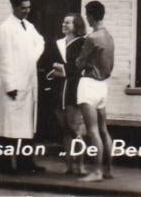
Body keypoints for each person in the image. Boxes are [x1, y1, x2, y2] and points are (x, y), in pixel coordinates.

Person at [0, 0, 46, 174]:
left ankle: (25, 163)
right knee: (8, 127)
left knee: (25, 127)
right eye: (23, 8)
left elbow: (40, 42)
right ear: (14, 7)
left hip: (27, 82)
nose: (27, 11)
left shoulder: (29, 26)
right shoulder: (5, 28)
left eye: (29, 8)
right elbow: (3, 58)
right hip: (14, 84)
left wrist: (30, 58)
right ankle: (4, 164)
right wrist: (10, 85)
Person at [76, 0, 115, 182]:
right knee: (103, 130)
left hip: (89, 85)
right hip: (102, 86)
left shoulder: (92, 38)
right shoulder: (108, 36)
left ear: (91, 16)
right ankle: (108, 170)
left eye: (87, 16)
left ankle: (97, 171)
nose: (87, 19)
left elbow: (79, 63)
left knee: (92, 131)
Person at [46, 13, 87, 175]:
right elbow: (48, 62)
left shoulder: (82, 43)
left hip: (73, 90)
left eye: (68, 22)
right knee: (65, 129)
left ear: (77, 26)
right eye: (63, 22)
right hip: (58, 90)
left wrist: (63, 70)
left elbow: (80, 65)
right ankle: (69, 165)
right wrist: (53, 71)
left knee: (75, 128)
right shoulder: (57, 43)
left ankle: (80, 165)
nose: (64, 24)